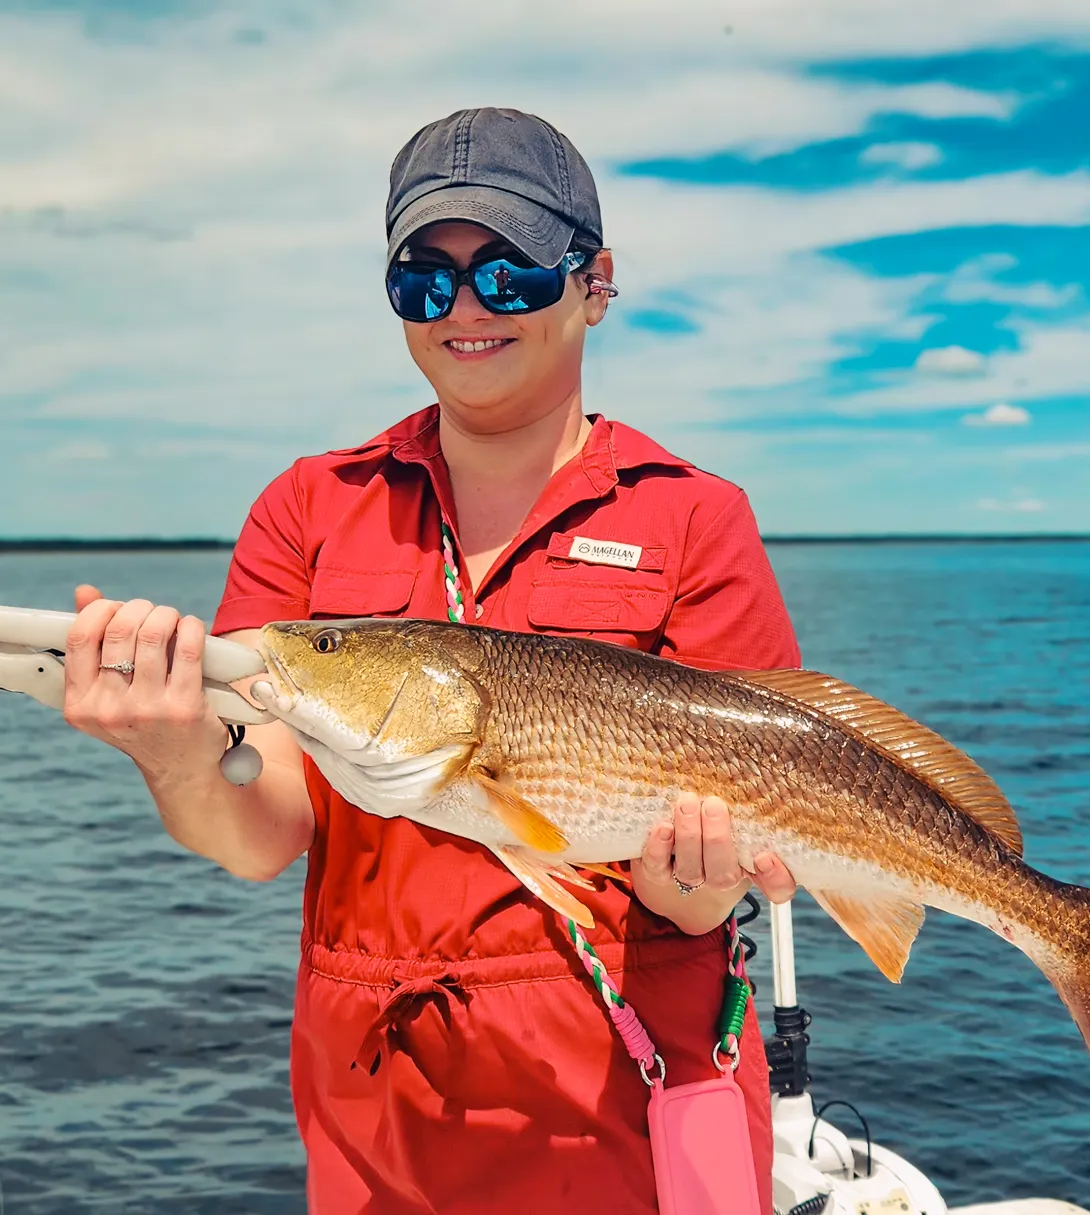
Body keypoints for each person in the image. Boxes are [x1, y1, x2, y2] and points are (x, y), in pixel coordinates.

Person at [62, 107, 801, 1214]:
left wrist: (697, 891)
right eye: (424, 278)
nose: (463, 308)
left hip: (630, 1110)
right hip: (379, 1120)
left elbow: (715, 892)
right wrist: (171, 754)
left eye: (506, 274)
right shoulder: (310, 508)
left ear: (593, 283)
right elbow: (261, 837)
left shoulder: (693, 518)